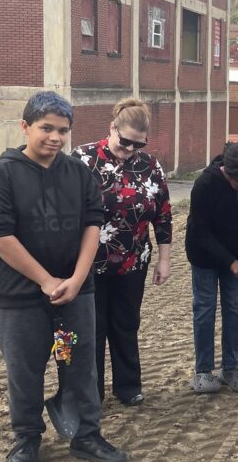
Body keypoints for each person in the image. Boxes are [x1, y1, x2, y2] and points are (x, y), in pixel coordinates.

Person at [0, 91, 127, 462]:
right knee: (24, 370)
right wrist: (45, 280)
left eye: (63, 130)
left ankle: (87, 435)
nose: (55, 137)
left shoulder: (77, 173)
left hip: (75, 295)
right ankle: (27, 438)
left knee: (80, 365)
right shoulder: (3, 174)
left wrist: (77, 279)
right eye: (46, 128)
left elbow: (93, 224)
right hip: (19, 298)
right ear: (25, 127)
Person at [73, 98, 172, 407]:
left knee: (126, 323)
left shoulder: (150, 166)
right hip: (89, 264)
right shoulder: (82, 160)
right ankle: (93, 392)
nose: (130, 149)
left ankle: (128, 386)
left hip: (133, 261)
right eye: (125, 141)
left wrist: (164, 258)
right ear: (112, 127)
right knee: (93, 327)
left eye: (138, 144)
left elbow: (163, 214)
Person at [185, 142, 238, 393]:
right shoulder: (205, 185)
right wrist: (230, 262)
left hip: (236, 251)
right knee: (205, 307)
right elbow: (201, 231)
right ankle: (203, 371)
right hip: (203, 254)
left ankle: (230, 368)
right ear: (227, 174)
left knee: (233, 307)